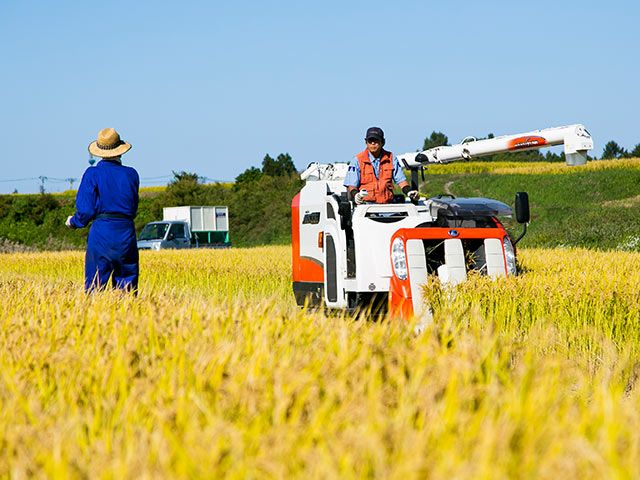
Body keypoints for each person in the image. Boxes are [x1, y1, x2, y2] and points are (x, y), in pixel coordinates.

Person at [65, 128, 140, 293]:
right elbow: (133, 207)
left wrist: (73, 221)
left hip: (101, 234)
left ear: (99, 151)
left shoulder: (92, 174)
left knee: (95, 288)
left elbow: (86, 211)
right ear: (120, 149)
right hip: (126, 233)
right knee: (127, 290)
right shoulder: (132, 174)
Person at [344, 126, 419, 204]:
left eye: (376, 140)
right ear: (366, 142)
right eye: (370, 140)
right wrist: (356, 195)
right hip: (365, 206)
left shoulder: (391, 158)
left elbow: (401, 181)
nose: (373, 143)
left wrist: (409, 192)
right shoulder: (357, 160)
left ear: (383, 142)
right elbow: (352, 185)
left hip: (388, 205)